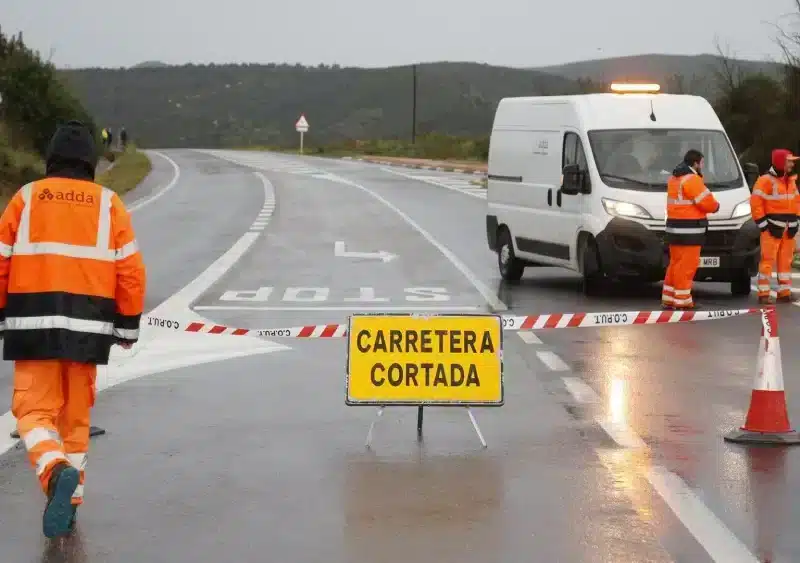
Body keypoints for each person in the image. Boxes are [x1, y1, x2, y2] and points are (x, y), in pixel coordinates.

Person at [0, 120, 146, 538]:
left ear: (50, 158)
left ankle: (54, 470)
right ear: (91, 162)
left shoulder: (25, 199)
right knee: (75, 422)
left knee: (33, 412)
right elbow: (131, 272)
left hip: (32, 325)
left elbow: (1, 260)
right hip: (89, 331)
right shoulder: (109, 204)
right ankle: (69, 503)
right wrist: (128, 326)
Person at [661, 149, 720, 309]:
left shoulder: (674, 178)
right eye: (701, 163)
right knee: (687, 266)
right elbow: (707, 202)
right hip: (690, 230)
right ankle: (682, 300)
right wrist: (716, 207)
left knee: (675, 263)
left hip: (674, 229)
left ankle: (669, 297)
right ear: (695, 163)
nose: (702, 166)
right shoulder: (691, 179)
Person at [751, 148, 800, 304]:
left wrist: (796, 221)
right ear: (781, 162)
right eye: (789, 161)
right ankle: (763, 294)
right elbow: (756, 203)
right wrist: (763, 224)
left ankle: (784, 292)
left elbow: (796, 201)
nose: (792, 164)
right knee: (767, 260)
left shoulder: (790, 180)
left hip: (788, 228)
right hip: (771, 228)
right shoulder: (765, 180)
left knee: (786, 261)